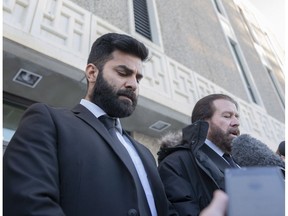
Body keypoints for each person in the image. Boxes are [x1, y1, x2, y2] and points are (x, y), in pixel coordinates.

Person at [3, 33, 174, 216]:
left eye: (138, 78)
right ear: (92, 73)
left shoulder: (146, 154)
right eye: (123, 73)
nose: (133, 84)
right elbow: (28, 204)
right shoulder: (48, 121)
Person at [157, 94, 240, 215]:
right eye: (227, 116)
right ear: (204, 123)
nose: (236, 122)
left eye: (237, 117)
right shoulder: (175, 163)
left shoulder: (240, 162)